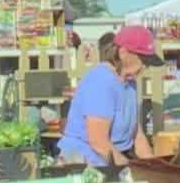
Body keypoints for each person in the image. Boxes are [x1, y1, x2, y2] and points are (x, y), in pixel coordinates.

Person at [57, 26, 161, 166]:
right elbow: (98, 141)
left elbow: (136, 134)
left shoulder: (130, 84)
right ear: (123, 53)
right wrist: (129, 169)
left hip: (112, 160)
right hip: (82, 162)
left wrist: (155, 167)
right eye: (143, 60)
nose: (145, 67)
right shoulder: (101, 81)